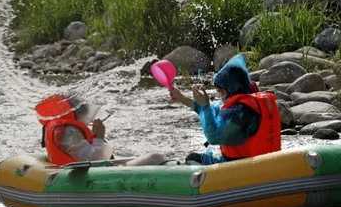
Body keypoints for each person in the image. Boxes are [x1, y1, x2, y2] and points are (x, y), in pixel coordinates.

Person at [168, 54, 281, 164]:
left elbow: (213, 137)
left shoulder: (240, 113)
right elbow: (212, 113)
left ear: (227, 91)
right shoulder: (248, 104)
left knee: (192, 158)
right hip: (266, 164)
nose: (218, 96)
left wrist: (205, 106)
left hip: (242, 168)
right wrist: (182, 98)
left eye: (219, 91)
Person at [36, 93, 164, 166]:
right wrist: (99, 137)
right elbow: (96, 161)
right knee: (156, 157)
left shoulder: (61, 128)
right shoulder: (70, 132)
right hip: (83, 178)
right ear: (74, 113)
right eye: (84, 114)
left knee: (147, 158)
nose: (87, 118)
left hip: (76, 171)